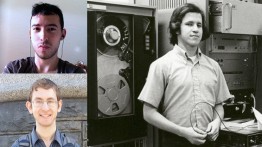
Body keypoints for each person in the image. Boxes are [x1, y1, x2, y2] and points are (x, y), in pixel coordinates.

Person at [138, 3, 232, 147]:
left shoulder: (213, 66)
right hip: (175, 141)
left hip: (209, 141)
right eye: (189, 24)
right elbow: (148, 113)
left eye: (199, 25)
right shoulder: (161, 65)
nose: (195, 29)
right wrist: (183, 132)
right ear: (177, 29)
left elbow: (218, 105)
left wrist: (217, 122)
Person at [3, 2, 85, 73]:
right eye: (37, 29)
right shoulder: (14, 70)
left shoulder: (75, 74)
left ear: (62, 34)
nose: (43, 37)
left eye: (51, 29)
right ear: (30, 34)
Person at [11, 78, 80, 147]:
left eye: (50, 101)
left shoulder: (73, 145)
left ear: (59, 106)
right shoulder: (18, 145)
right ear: (29, 107)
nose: (45, 108)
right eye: (38, 101)